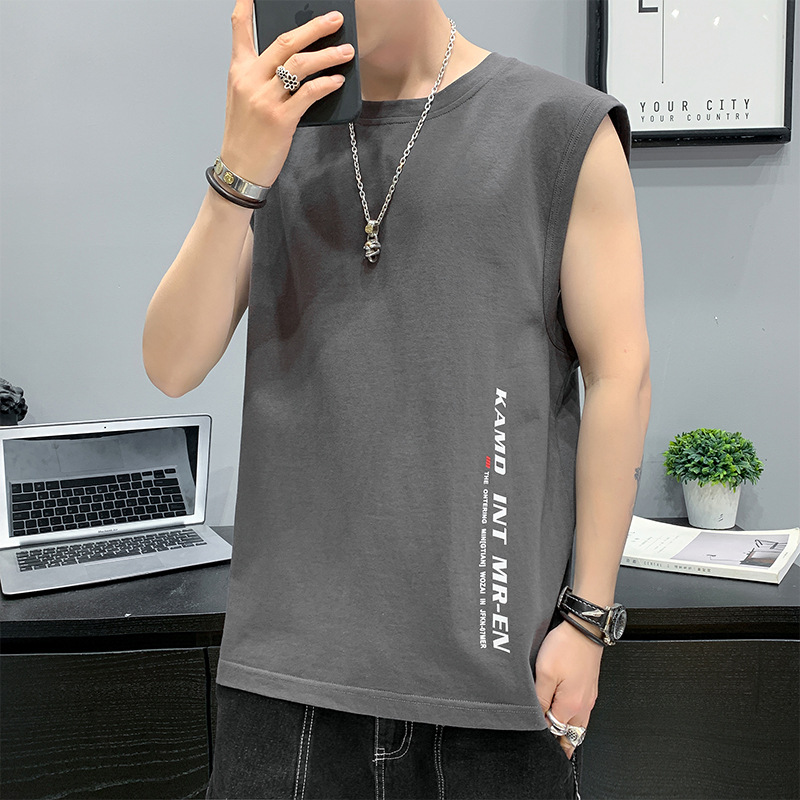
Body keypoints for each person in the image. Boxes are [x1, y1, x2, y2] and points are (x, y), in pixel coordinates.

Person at [143, 0, 651, 797]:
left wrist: (587, 621)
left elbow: (621, 375)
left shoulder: (558, 129)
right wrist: (238, 169)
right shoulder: (279, 137)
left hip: (495, 677)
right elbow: (171, 364)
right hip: (288, 682)